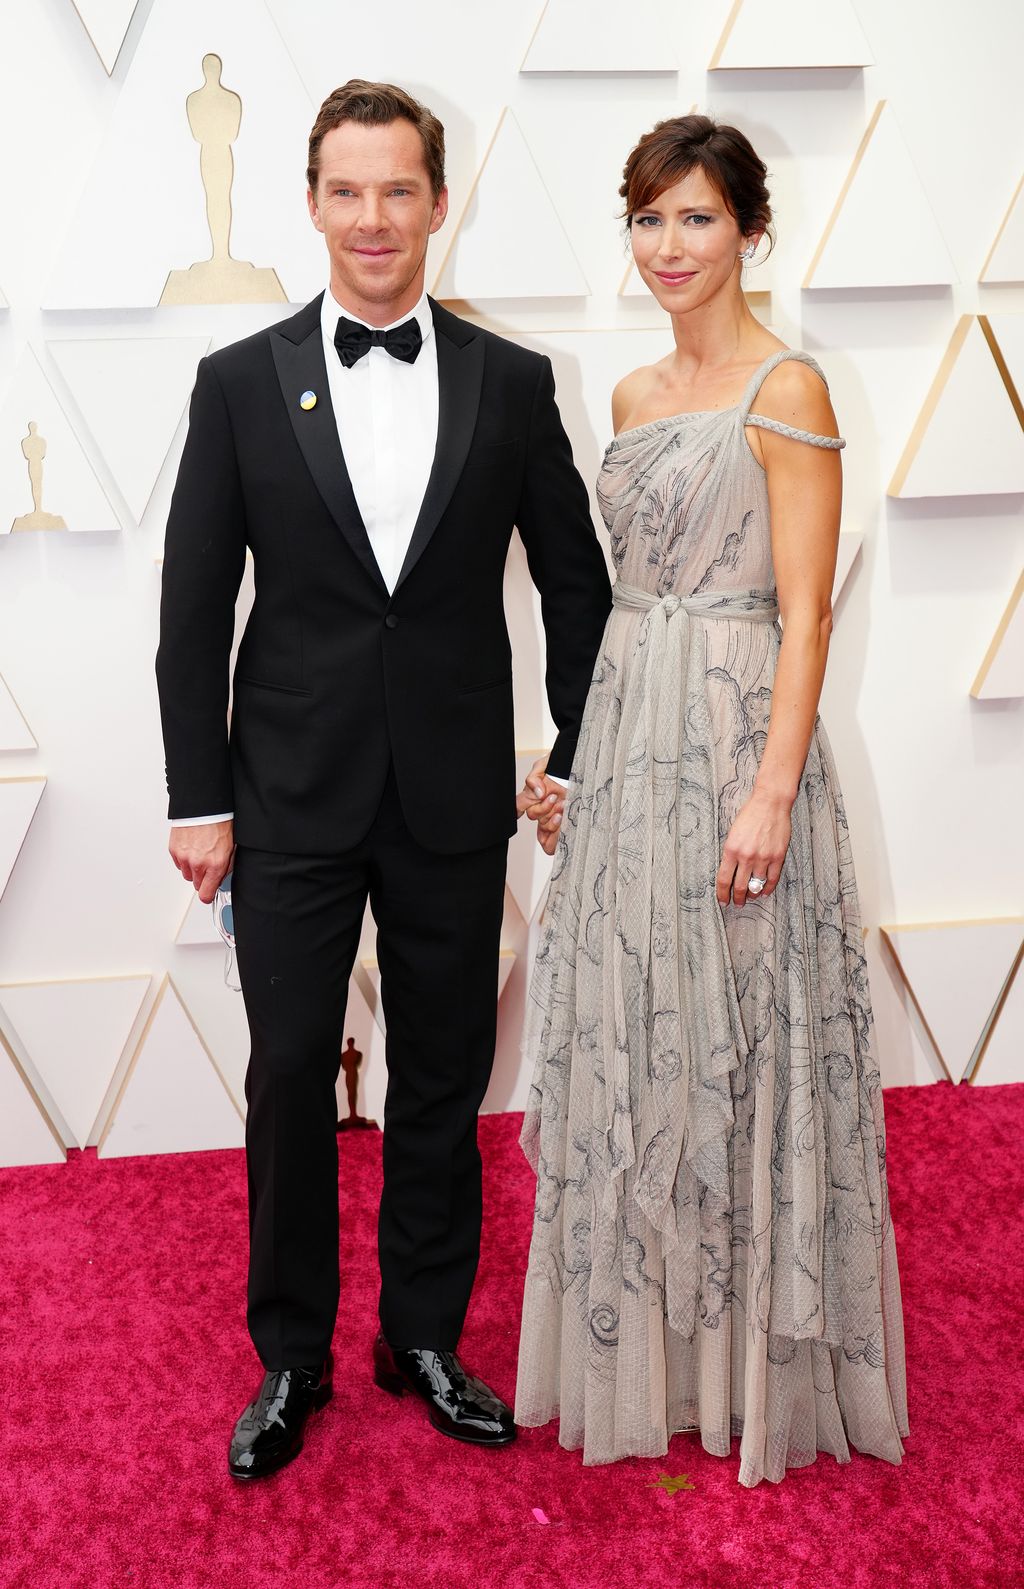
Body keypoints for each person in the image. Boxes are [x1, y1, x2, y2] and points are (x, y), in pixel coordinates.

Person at [156, 79, 611, 1481]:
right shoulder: (238, 381)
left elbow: (581, 591)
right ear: (310, 202)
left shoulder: (517, 382)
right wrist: (198, 796)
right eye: (346, 191)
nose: (372, 217)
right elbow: (193, 605)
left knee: (444, 1078)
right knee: (292, 1072)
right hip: (287, 787)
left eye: (397, 189)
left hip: (455, 792)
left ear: (437, 201)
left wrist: (572, 754)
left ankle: (419, 1334)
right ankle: (292, 1353)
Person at [514, 114, 908, 1488]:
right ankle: (662, 1361)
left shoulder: (788, 388)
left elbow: (804, 618)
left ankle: (755, 1366)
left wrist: (772, 794)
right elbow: (624, 607)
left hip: (743, 741)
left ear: (748, 228)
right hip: (634, 729)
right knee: (643, 1039)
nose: (668, 247)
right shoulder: (628, 401)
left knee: (748, 1040)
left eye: (694, 218)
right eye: (647, 219)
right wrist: (580, 763)